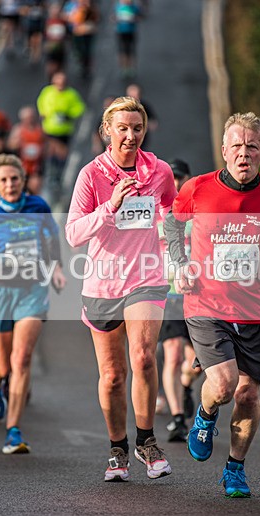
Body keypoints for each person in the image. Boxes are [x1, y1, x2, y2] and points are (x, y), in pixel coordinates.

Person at [164, 112, 260, 498]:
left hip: (253, 310)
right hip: (205, 304)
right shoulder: (197, 188)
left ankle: (235, 469)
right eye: (237, 146)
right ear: (224, 150)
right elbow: (172, 224)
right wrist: (179, 263)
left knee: (248, 395)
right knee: (224, 385)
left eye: (252, 146)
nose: (244, 153)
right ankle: (205, 415)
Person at [66, 96, 177, 482]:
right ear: (107, 131)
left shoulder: (159, 171)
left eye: (137, 128)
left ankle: (147, 441)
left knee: (144, 357)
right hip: (103, 282)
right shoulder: (91, 175)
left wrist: (171, 247)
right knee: (113, 375)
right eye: (123, 128)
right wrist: (110, 206)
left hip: (146, 278)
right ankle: (117, 449)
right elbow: (73, 234)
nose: (131, 135)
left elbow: (171, 210)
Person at [0, 154, 66, 454]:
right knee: (2, 364)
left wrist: (56, 268)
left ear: (23, 180)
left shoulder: (38, 207)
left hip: (32, 292)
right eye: (3, 180)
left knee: (21, 360)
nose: (10, 184)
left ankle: (13, 431)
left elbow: (52, 240)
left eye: (14, 178)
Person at [157, 158, 197, 442]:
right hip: (168, 294)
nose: (176, 183)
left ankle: (185, 385)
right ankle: (178, 418)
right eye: (171, 178)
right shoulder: (155, 215)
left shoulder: (199, 214)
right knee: (171, 354)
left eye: (180, 177)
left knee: (198, 361)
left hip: (197, 294)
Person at [36, 71, 86, 201]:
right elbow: (41, 102)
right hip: (49, 129)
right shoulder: (47, 92)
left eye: (62, 82)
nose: (60, 85)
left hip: (64, 130)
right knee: (51, 151)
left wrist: (68, 115)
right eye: (58, 82)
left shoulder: (71, 94)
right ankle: (52, 174)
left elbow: (79, 108)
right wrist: (43, 113)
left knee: (62, 154)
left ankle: (58, 173)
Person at [7, 106, 45, 196]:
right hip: (22, 165)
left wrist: (41, 151)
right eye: (27, 118)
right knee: (21, 189)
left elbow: (47, 145)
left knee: (35, 186)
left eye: (31, 117)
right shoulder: (18, 130)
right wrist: (17, 143)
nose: (30, 120)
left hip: (36, 165)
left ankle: (35, 201)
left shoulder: (40, 130)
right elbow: (10, 145)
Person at [67, 0, 99, 79]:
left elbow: (95, 18)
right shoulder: (75, 8)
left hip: (87, 33)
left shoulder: (90, 9)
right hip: (78, 33)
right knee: (80, 50)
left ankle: (86, 67)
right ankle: (82, 62)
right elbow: (71, 18)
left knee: (87, 51)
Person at [114, 0, 142, 79]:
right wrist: (117, 19)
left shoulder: (134, 7)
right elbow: (114, 17)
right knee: (122, 51)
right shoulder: (118, 6)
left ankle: (131, 68)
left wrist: (134, 18)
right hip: (120, 32)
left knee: (131, 50)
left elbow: (140, 17)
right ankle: (123, 68)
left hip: (131, 31)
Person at [125, 84, 157, 150]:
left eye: (134, 93)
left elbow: (153, 122)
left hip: (141, 137)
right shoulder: (123, 106)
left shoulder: (144, 106)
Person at [43, 2, 68, 80]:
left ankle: (58, 80)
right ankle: (51, 80)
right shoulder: (48, 21)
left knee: (60, 66)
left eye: (57, 10)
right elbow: (44, 34)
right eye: (53, 10)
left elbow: (68, 33)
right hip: (51, 47)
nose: (55, 11)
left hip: (61, 47)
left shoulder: (63, 21)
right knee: (52, 66)